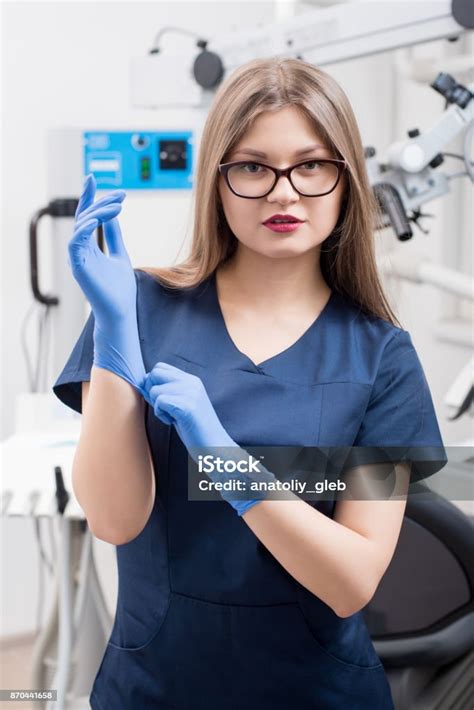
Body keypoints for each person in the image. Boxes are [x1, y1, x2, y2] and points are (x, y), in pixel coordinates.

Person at [53, 57, 447, 710]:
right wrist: (115, 339)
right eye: (253, 166)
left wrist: (229, 466)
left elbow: (351, 581)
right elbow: (115, 520)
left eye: (312, 165)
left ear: (347, 178)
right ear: (218, 180)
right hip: (156, 689)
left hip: (318, 694)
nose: (284, 192)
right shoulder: (136, 307)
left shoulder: (384, 358)